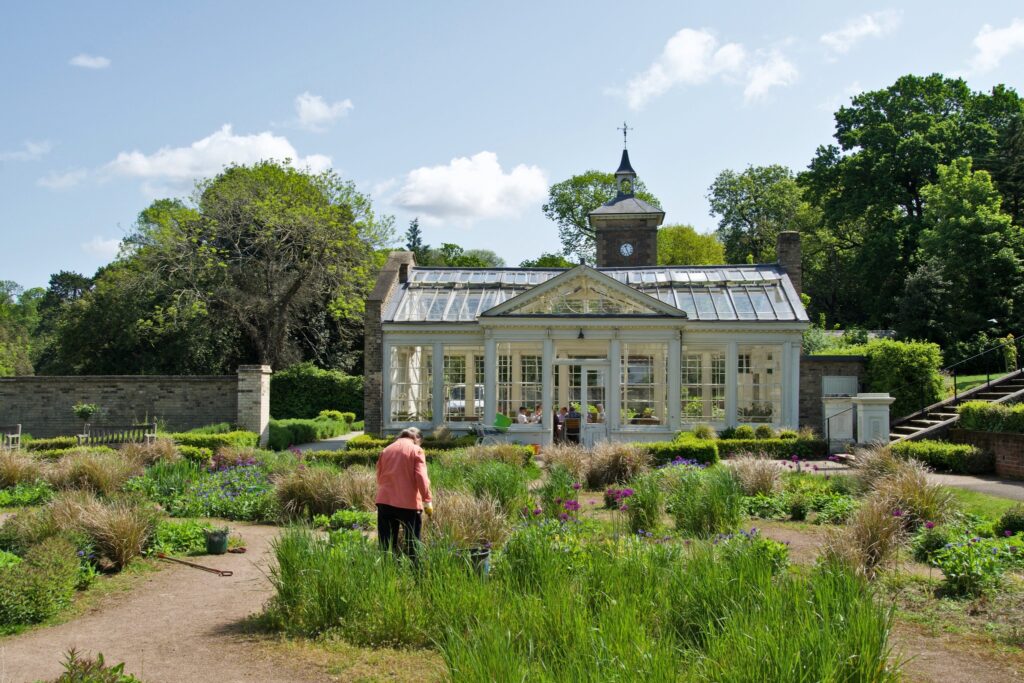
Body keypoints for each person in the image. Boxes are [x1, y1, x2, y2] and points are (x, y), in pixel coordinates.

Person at [375, 427, 432, 560]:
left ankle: (386, 569)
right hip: (408, 504)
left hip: (384, 501)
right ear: (417, 438)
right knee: (413, 542)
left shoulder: (386, 450)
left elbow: (379, 476)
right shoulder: (416, 450)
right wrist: (427, 500)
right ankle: (416, 570)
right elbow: (421, 477)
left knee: (386, 544)